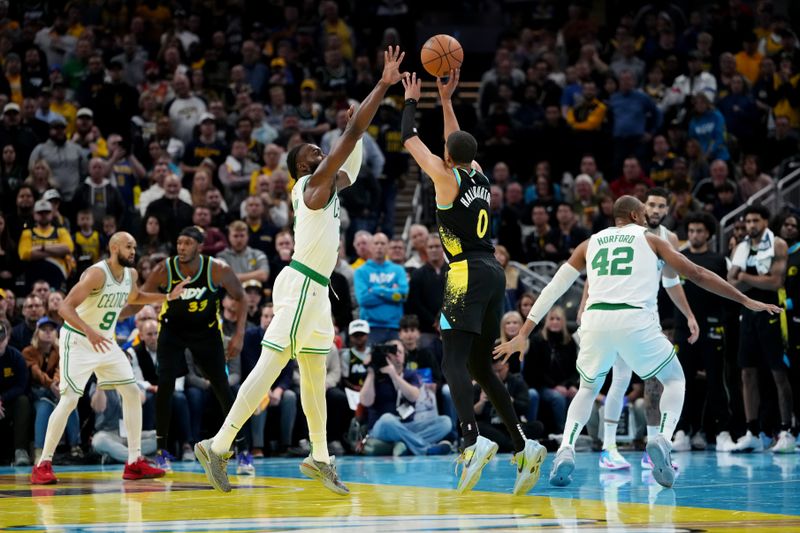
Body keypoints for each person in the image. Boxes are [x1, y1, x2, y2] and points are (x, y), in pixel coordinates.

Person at [195, 46, 408, 496]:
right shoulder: (310, 187)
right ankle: (217, 445)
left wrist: (358, 129)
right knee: (271, 367)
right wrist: (383, 85)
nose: (322, 151)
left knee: (312, 374)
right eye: (316, 150)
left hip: (318, 292)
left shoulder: (328, 187)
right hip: (299, 287)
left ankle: (320, 456)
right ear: (304, 165)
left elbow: (352, 158)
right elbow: (348, 139)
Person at [494, 196, 781, 489]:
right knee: (674, 380)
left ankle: (566, 448)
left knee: (588, 388)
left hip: (595, 321)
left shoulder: (589, 242)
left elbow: (554, 287)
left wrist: (524, 333)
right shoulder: (650, 239)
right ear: (634, 214)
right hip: (634, 320)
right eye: (644, 213)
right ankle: (662, 439)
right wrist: (744, 299)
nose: (647, 217)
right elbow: (696, 273)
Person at [401, 69, 546, 496]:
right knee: (481, 366)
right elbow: (457, 142)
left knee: (451, 362)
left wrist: (411, 99)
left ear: (447, 156)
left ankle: (470, 439)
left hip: (464, 271)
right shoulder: (478, 173)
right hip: (493, 270)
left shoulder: (445, 177)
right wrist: (445, 101)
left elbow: (410, 139)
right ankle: (523, 446)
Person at [30, 232, 185, 485]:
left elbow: (134, 299)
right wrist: (89, 331)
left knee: (132, 392)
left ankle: (134, 462)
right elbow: (64, 308)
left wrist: (167, 296)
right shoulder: (96, 274)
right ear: (114, 247)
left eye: (135, 246)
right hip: (79, 340)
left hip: (104, 341)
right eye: (128, 246)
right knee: (69, 400)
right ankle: (42, 464)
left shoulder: (131, 275)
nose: (133, 251)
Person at [595, 187, 700, 470]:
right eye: (650, 205)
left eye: (660, 206)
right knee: (620, 379)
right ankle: (608, 447)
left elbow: (671, 281)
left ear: (666, 210)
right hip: (623, 314)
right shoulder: (619, 235)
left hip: (650, 316)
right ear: (641, 208)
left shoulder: (669, 238)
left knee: (656, 383)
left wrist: (688, 313)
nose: (654, 210)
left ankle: (653, 449)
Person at [132, 226, 248, 471]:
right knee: (165, 387)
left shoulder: (217, 269)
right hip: (172, 332)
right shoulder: (164, 269)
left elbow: (242, 297)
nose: (181, 247)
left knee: (222, 388)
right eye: (179, 243)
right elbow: (141, 296)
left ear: (199, 246)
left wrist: (239, 334)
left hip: (206, 333)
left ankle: (243, 450)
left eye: (187, 243)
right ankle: (162, 453)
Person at [728, 205, 794, 453]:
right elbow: (730, 284)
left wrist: (743, 277)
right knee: (747, 372)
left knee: (778, 373)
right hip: (748, 313)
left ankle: (786, 429)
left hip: (773, 313)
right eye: (748, 221)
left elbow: (775, 281)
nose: (751, 225)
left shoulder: (777, 244)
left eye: (756, 220)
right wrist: (747, 280)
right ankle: (752, 431)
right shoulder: (741, 246)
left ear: (765, 222)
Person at [670, 213, 733, 452]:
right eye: (692, 230)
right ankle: (682, 430)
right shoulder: (678, 259)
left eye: (700, 231)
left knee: (716, 380)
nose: (695, 235)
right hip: (682, 329)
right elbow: (667, 292)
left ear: (708, 233)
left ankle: (722, 431)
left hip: (712, 328)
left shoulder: (719, 261)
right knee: (680, 381)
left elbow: (727, 295)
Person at [354, 232, 408, 343]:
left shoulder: (398, 270)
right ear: (370, 247)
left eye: (383, 243)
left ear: (388, 247)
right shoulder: (360, 271)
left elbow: (403, 295)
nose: (379, 246)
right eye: (376, 243)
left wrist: (376, 290)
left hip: (394, 327)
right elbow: (363, 300)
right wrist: (391, 292)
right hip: (370, 327)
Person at [0, 319, 32, 467]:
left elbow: (21, 385)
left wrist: (1, 399)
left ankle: (20, 450)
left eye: (1, 339)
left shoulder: (16, 357)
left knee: (23, 400)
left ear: (7, 339)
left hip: (8, 403)